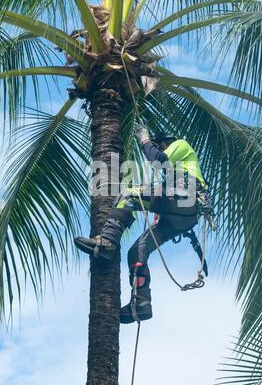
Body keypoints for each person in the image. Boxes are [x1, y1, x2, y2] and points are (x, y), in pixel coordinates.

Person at [74, 124, 209, 324]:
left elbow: (158, 159)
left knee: (128, 194)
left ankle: (108, 241)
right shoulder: (175, 171)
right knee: (137, 251)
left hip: (186, 198)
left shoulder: (180, 145)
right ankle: (141, 302)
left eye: (161, 145)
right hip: (181, 218)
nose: (160, 148)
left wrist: (145, 140)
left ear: (165, 143)